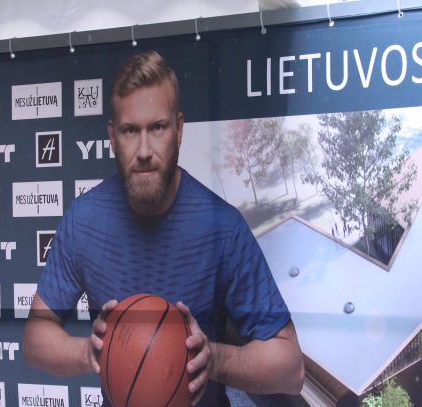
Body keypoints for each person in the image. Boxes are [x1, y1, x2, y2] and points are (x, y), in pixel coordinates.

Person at [23, 50, 304, 406]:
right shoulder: (84, 221)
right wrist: (88, 352)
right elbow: (35, 339)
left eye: (157, 127)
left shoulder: (222, 228)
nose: (144, 150)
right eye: (130, 130)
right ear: (112, 135)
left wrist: (214, 358)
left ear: (179, 129)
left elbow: (291, 369)